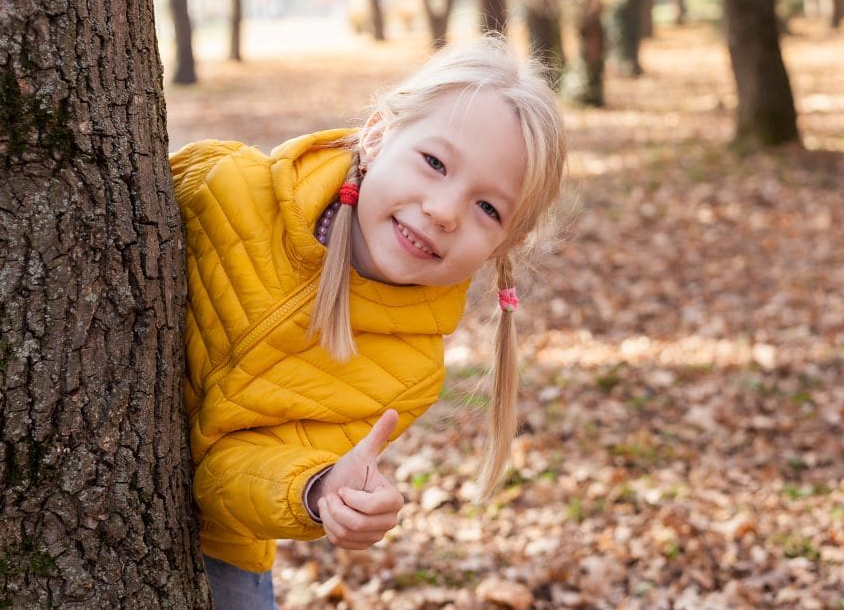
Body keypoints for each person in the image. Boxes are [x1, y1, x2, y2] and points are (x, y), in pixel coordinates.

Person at [169, 34, 566, 609]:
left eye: (488, 208)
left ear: (505, 244)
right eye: (434, 163)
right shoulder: (227, 188)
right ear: (379, 135)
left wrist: (318, 489)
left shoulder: (406, 372)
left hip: (214, 551)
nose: (443, 210)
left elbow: (222, 476)